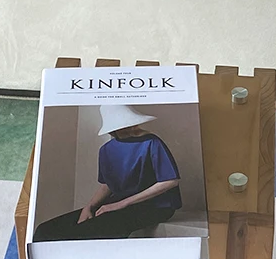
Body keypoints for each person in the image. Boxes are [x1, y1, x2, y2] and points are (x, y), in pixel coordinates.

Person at [32, 103, 182, 242]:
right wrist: (88, 207)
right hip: (119, 204)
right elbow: (107, 185)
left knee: (87, 231)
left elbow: (170, 181)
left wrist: (121, 204)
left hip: (155, 207)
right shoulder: (106, 150)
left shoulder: (151, 142)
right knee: (45, 230)